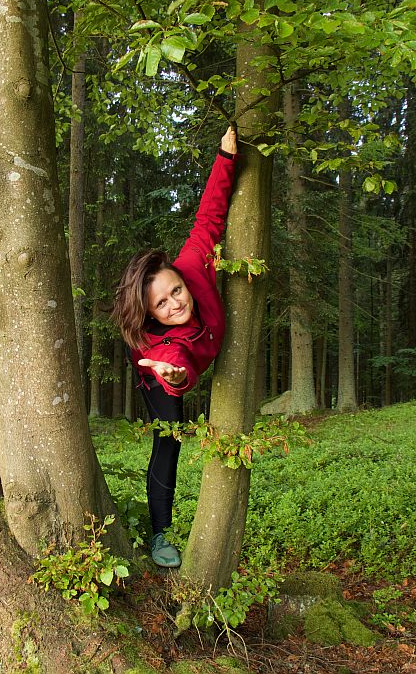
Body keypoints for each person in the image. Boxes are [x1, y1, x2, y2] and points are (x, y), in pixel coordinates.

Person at [111, 127, 239, 568]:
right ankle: (160, 535)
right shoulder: (163, 342)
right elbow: (175, 362)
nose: (175, 304)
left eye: (176, 291)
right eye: (161, 305)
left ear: (183, 278)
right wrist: (174, 378)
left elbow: (209, 216)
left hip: (173, 358)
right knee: (170, 436)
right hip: (154, 362)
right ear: (151, 314)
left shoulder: (193, 266)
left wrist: (225, 157)